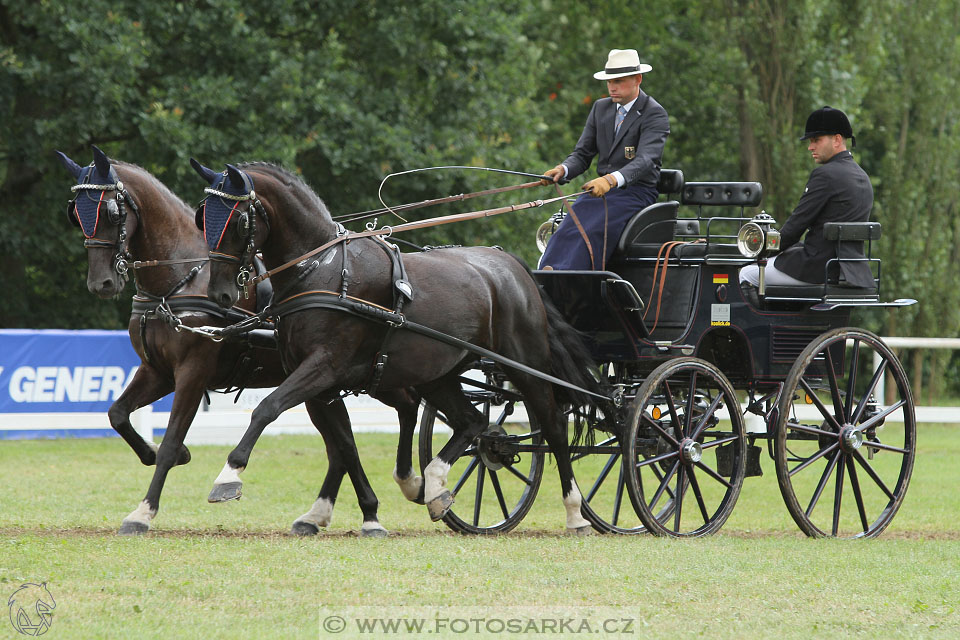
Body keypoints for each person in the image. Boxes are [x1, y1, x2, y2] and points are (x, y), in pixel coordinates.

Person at [539, 48, 670, 270]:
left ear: (637, 79)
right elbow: (582, 154)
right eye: (609, 81)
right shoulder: (601, 108)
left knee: (594, 230)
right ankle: (549, 276)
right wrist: (563, 169)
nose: (612, 87)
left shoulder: (654, 113)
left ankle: (577, 283)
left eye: (618, 81)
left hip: (636, 193)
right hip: (600, 193)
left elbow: (645, 160)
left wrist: (610, 180)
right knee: (568, 226)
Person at [739, 106, 875, 301]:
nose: (811, 147)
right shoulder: (862, 177)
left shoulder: (825, 175)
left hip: (817, 269)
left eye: (816, 140)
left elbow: (795, 227)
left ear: (837, 139)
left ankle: (752, 331)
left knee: (746, 274)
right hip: (849, 271)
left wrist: (758, 252)